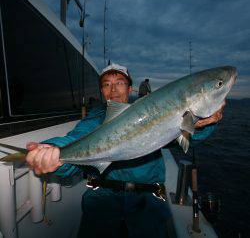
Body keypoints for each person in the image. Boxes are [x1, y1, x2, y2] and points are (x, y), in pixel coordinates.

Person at [26, 63, 224, 238]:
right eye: (106, 84)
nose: (113, 90)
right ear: (102, 91)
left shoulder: (152, 111)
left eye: (119, 82)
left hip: (147, 200)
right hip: (102, 198)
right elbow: (75, 139)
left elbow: (188, 138)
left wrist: (202, 123)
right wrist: (52, 152)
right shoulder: (94, 119)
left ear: (130, 88)